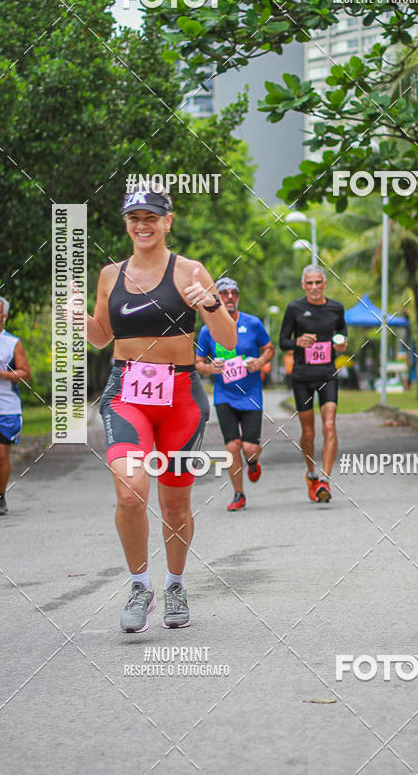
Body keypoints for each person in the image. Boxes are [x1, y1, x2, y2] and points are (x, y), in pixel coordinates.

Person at [81, 187, 236, 633]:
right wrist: (78, 319)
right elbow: (101, 336)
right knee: (130, 492)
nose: (142, 224)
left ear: (169, 221)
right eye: (134, 217)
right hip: (126, 394)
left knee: (174, 505)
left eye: (151, 216)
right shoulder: (110, 274)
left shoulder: (191, 270)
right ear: (126, 223)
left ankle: (174, 585)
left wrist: (207, 303)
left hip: (182, 398)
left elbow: (226, 338)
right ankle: (138, 585)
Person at [195, 277, 274, 511]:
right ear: (217, 299)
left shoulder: (253, 323)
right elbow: (198, 363)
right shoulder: (207, 329)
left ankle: (253, 461)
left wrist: (259, 361)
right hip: (224, 395)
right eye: (224, 293)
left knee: (249, 448)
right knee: (232, 447)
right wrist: (211, 368)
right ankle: (238, 494)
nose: (230, 297)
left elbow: (269, 348)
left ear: (238, 297)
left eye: (234, 293)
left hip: (250, 393)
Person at [279, 265, 348, 503]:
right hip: (302, 377)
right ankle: (311, 473)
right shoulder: (294, 308)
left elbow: (342, 333)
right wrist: (298, 342)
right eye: (309, 283)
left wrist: (341, 343)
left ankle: (325, 481)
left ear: (325, 283)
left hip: (328, 373)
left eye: (318, 282)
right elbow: (282, 342)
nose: (314, 287)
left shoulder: (336, 308)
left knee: (329, 425)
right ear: (303, 285)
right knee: (308, 432)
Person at [0, 296, 31, 517]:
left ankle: (0, 496)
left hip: (7, 408)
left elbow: (25, 373)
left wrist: (1, 374)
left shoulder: (12, 342)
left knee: (2, 454)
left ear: (4, 316)